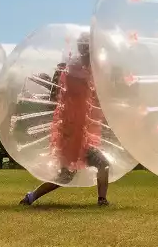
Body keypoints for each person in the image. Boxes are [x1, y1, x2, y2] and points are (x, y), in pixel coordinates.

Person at [20, 33, 110, 206]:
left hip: (80, 133)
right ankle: (30, 197)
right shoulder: (76, 68)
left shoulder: (85, 67)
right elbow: (77, 88)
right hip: (71, 134)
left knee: (102, 164)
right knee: (66, 176)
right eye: (89, 47)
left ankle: (102, 200)